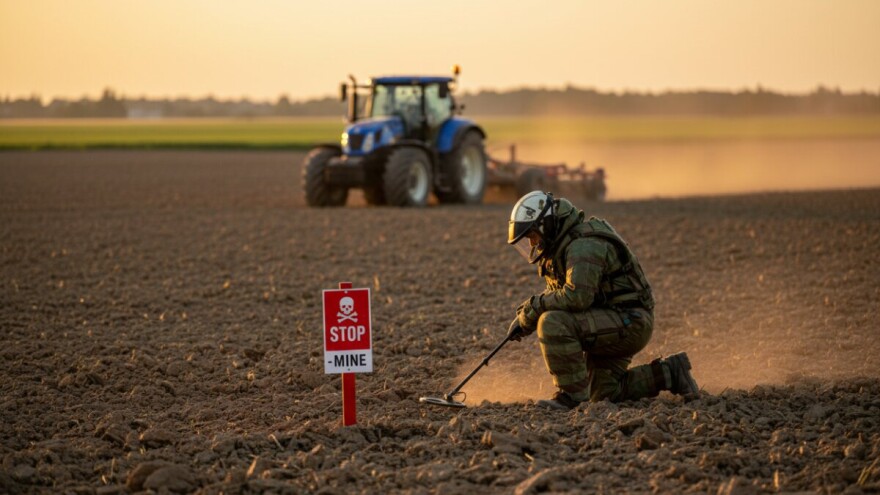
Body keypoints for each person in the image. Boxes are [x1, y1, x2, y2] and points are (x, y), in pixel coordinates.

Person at [507, 191, 699, 410]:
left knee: (553, 323)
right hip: (611, 320)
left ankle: (570, 398)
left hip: (629, 321)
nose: (533, 243)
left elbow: (576, 297)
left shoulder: (583, 245)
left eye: (533, 235)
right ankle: (670, 373)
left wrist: (534, 309)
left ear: (546, 225)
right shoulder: (562, 247)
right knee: (605, 393)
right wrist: (527, 316)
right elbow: (560, 296)